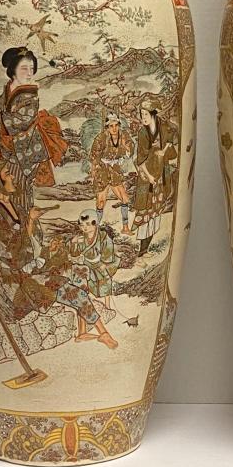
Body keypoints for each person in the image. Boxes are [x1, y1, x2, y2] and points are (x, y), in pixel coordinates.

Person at [0, 47, 67, 209]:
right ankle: (16, 218)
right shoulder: (4, 94)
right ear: (13, 70)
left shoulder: (30, 96)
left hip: (26, 146)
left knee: (21, 185)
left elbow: (22, 122)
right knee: (8, 185)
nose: (29, 73)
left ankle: (26, 219)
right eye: (24, 68)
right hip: (9, 146)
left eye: (32, 69)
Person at [66, 209, 120, 349]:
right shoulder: (80, 237)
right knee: (81, 288)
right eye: (82, 225)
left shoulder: (103, 237)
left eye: (88, 224)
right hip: (86, 265)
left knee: (104, 282)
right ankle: (83, 330)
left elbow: (108, 252)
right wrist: (73, 243)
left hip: (101, 265)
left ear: (95, 224)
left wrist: (103, 263)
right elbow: (74, 254)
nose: (84, 228)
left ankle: (107, 306)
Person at [132, 100, 178, 256]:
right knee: (145, 213)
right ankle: (142, 250)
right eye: (141, 115)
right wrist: (150, 176)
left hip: (161, 175)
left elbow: (171, 137)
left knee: (155, 213)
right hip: (147, 177)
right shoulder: (142, 133)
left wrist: (164, 151)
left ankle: (146, 250)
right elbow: (140, 160)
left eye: (145, 114)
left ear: (153, 114)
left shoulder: (163, 127)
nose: (143, 118)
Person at [89, 112, 134, 234]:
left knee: (124, 199)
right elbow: (94, 156)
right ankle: (95, 230)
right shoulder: (101, 138)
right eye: (111, 126)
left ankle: (125, 228)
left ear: (119, 125)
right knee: (101, 202)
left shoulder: (124, 135)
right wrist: (93, 171)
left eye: (116, 125)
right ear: (107, 127)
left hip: (115, 171)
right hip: (102, 171)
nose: (114, 128)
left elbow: (131, 149)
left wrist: (126, 148)